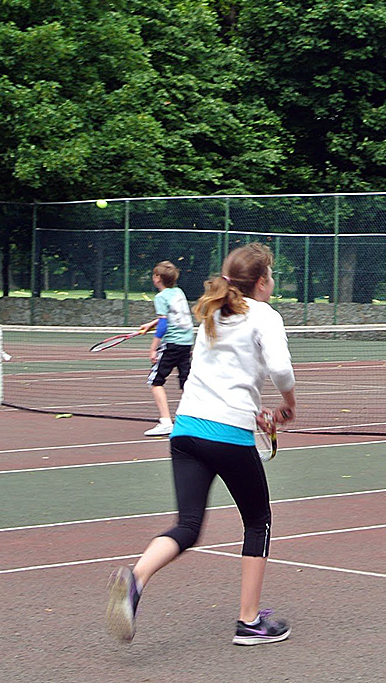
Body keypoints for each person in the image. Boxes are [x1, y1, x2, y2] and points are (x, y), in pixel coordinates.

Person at [106, 243, 296, 647]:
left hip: (186, 430)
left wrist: (254, 409)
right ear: (261, 282)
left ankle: (136, 578)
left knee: (188, 526)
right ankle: (249, 622)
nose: (272, 281)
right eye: (271, 274)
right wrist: (288, 405)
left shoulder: (214, 310)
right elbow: (280, 369)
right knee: (258, 521)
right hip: (228, 435)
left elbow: (221, 373)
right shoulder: (265, 315)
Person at [138, 261, 195, 437]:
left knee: (155, 382)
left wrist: (153, 348)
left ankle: (165, 422)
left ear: (157, 278)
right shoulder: (179, 292)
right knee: (187, 382)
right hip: (186, 343)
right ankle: (196, 419)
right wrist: (151, 324)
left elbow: (163, 325)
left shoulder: (160, 297)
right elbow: (171, 316)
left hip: (171, 344)